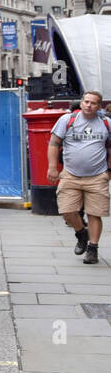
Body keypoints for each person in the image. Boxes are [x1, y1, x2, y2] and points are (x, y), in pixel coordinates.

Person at [47, 90, 111, 264]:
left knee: (94, 213)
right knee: (67, 211)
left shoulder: (106, 123)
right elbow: (53, 143)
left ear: (99, 106)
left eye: (93, 103)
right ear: (81, 102)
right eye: (86, 101)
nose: (89, 105)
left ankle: (93, 249)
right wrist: (52, 167)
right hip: (70, 175)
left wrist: (109, 172)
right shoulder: (67, 120)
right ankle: (81, 233)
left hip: (97, 176)